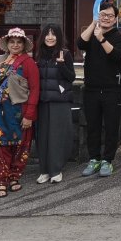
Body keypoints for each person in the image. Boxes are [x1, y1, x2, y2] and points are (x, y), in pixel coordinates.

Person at [0, 28, 40, 198]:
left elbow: (35, 90)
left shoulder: (29, 63)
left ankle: (14, 177)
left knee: (19, 146)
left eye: (19, 42)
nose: (15, 45)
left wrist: (29, 115)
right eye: (12, 42)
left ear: (24, 45)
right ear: (7, 44)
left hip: (19, 112)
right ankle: (1, 180)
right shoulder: (0, 60)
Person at [77, 2, 121, 178]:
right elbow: (80, 43)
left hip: (111, 89)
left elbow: (116, 55)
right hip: (91, 88)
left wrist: (101, 38)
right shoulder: (92, 32)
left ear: (115, 19)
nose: (106, 18)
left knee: (111, 125)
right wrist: (93, 24)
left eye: (109, 16)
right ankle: (94, 158)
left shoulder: (120, 37)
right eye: (103, 15)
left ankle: (108, 160)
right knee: (93, 125)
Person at [35, 24, 76, 184]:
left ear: (59, 37)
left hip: (60, 101)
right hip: (42, 101)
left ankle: (56, 169)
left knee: (58, 136)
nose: (50, 37)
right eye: (47, 34)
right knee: (42, 136)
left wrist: (61, 64)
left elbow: (71, 77)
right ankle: (44, 170)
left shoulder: (65, 54)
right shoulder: (39, 55)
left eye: (54, 34)